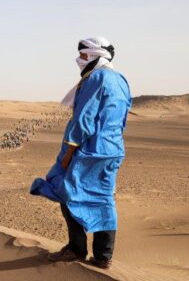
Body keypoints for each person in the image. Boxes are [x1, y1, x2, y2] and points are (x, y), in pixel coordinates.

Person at [30, 37, 131, 270]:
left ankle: (76, 249)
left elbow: (84, 118)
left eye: (84, 56)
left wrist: (69, 152)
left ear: (94, 56)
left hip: (89, 150)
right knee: (104, 198)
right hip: (112, 149)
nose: (79, 60)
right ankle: (104, 256)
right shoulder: (121, 79)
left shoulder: (95, 78)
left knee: (67, 191)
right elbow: (123, 115)